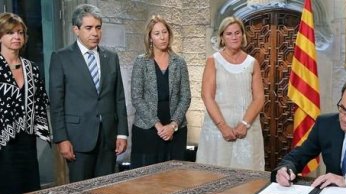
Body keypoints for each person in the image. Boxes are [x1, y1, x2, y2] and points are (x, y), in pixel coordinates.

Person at [49, 4, 128, 182]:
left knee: (106, 191)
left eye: (98, 28)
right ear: (76, 30)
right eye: (89, 28)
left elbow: (119, 98)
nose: (95, 33)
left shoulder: (111, 57)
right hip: (78, 138)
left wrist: (122, 133)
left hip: (108, 138)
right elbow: (56, 103)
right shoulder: (61, 57)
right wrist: (61, 139)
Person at [0, 12, 50, 194]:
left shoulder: (32, 68)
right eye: (10, 32)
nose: (16, 36)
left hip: (26, 140)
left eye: (20, 32)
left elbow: (41, 101)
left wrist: (41, 131)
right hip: (0, 143)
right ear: (1, 36)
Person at [196, 16, 265, 170]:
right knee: (215, 176)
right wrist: (223, 127)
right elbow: (207, 96)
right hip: (217, 131)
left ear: (243, 35)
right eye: (229, 34)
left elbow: (259, 98)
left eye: (237, 33)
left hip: (247, 130)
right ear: (222, 37)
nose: (234, 37)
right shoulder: (213, 60)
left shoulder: (252, 62)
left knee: (246, 179)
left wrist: (244, 124)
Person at [130, 15, 191, 168]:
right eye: (157, 34)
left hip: (176, 131)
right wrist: (158, 126)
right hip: (147, 130)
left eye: (164, 32)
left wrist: (173, 126)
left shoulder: (179, 62)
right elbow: (137, 98)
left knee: (174, 177)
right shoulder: (141, 62)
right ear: (150, 38)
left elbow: (186, 96)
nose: (162, 37)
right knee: (147, 181)